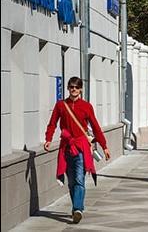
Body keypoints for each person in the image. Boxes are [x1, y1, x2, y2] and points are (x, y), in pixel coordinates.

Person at [43, 77, 111, 224]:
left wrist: (104, 146)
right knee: (72, 181)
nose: (73, 89)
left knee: (79, 179)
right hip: (66, 147)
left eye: (76, 87)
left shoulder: (86, 106)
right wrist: (48, 139)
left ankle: (78, 208)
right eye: (71, 87)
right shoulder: (61, 105)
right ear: (68, 88)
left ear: (81, 89)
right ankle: (76, 209)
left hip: (81, 147)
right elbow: (52, 123)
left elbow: (95, 126)